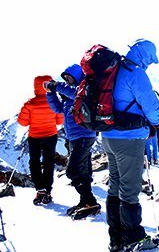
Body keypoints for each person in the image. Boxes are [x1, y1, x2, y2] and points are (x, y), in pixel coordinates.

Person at [100, 39, 159, 252]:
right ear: (145, 56)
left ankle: (115, 237)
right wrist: (156, 122)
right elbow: (152, 108)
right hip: (129, 139)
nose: (150, 64)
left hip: (108, 136)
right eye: (150, 60)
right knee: (130, 190)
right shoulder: (135, 73)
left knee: (114, 185)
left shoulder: (113, 69)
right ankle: (134, 238)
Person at [45, 64, 100, 217]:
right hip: (74, 137)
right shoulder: (69, 96)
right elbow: (57, 109)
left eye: (69, 77)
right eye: (65, 78)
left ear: (77, 76)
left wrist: (56, 86)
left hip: (84, 135)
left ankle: (89, 200)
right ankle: (86, 201)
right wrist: (50, 93)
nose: (67, 80)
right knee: (83, 170)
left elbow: (75, 93)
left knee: (73, 170)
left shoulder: (83, 90)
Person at [17, 75, 64, 205]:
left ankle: (40, 189)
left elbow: (22, 122)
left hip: (35, 137)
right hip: (51, 136)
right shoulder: (54, 101)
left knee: (34, 163)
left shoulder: (29, 104)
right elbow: (60, 120)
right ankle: (48, 190)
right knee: (48, 162)